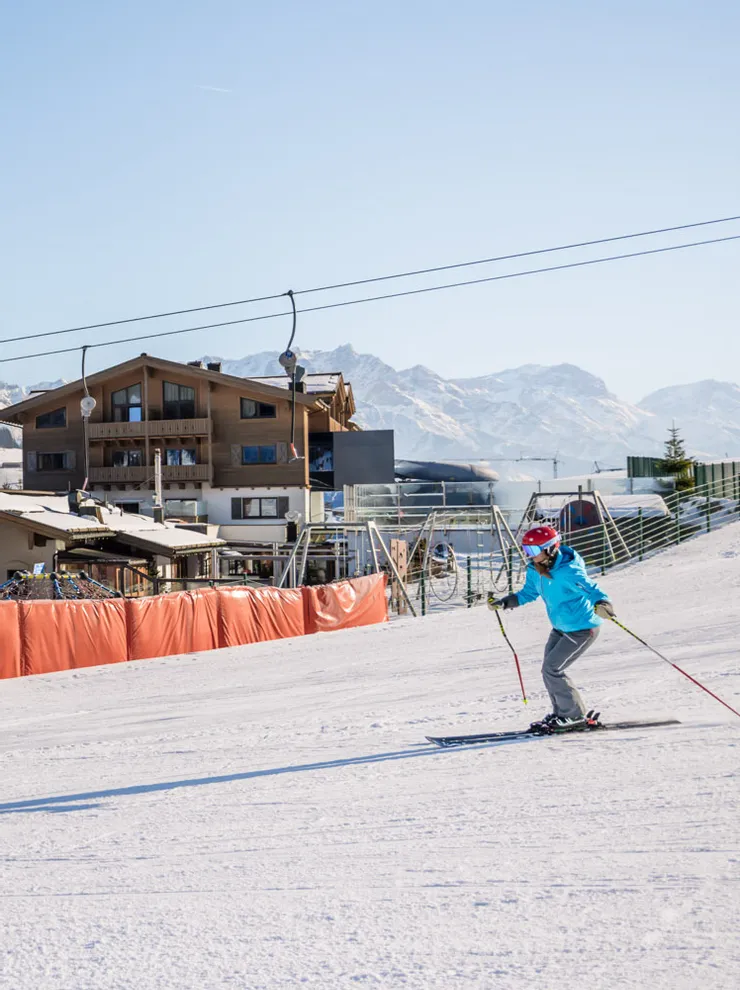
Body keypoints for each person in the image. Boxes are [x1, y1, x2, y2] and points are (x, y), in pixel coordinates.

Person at [488, 525, 616, 733]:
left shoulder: (568, 572)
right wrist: (504, 603)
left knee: (553, 669)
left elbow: (592, 590)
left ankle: (573, 715)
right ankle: (562, 714)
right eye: (526, 551)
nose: (529, 556)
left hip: (582, 628)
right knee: (548, 669)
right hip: (560, 627)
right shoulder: (536, 570)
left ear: (550, 549)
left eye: (533, 551)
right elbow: (528, 593)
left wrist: (603, 604)